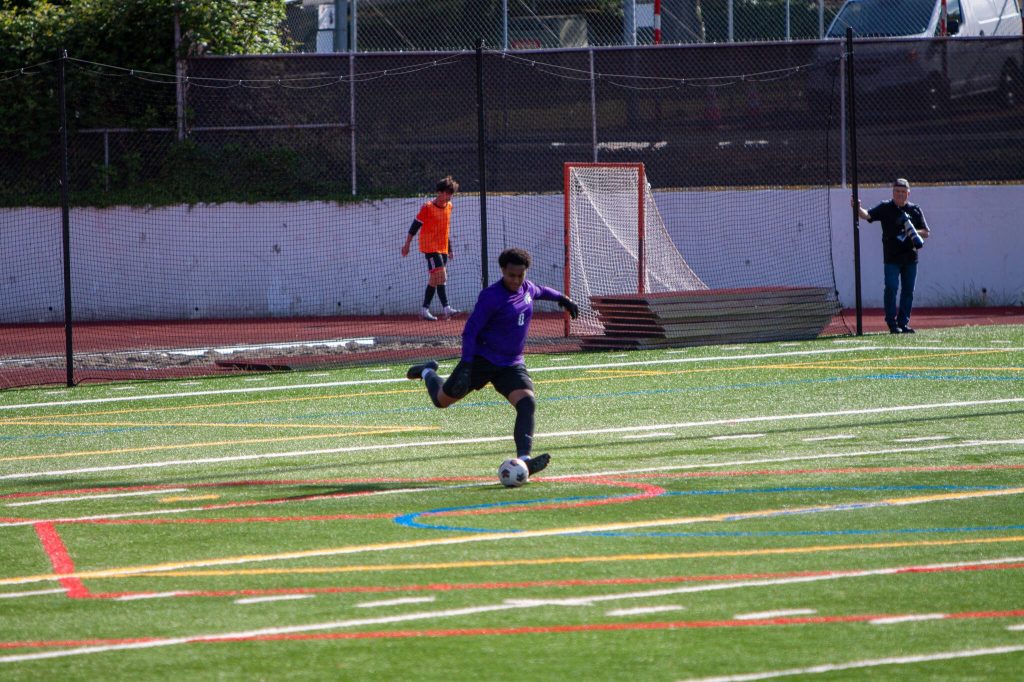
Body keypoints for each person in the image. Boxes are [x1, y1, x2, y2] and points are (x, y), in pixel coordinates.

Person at [406, 247, 579, 477]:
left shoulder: (527, 288)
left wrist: (562, 299)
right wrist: (467, 365)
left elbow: (541, 290)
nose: (516, 280)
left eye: (520, 275)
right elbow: (470, 332)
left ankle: (525, 459)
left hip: (511, 364)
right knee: (442, 401)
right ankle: (428, 371)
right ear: (502, 272)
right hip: (482, 360)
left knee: (527, 403)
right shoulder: (491, 297)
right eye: (511, 275)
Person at [853, 178, 931, 334]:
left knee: (908, 291)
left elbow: (926, 232)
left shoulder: (914, 210)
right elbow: (867, 215)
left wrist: (911, 230)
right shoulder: (885, 207)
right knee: (891, 288)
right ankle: (892, 323)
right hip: (891, 258)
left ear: (908, 193)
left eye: (903, 192)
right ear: (893, 192)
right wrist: (857, 208)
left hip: (910, 258)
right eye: (897, 191)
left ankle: (903, 323)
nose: (900, 194)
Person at [401, 176, 461, 321]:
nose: (448, 196)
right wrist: (407, 244)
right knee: (441, 275)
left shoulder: (449, 206)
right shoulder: (427, 207)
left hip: (443, 248)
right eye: (446, 193)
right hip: (429, 247)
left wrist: (450, 248)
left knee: (435, 278)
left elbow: (445, 229)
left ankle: (424, 309)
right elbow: (414, 227)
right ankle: (446, 308)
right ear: (439, 192)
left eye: (450, 194)